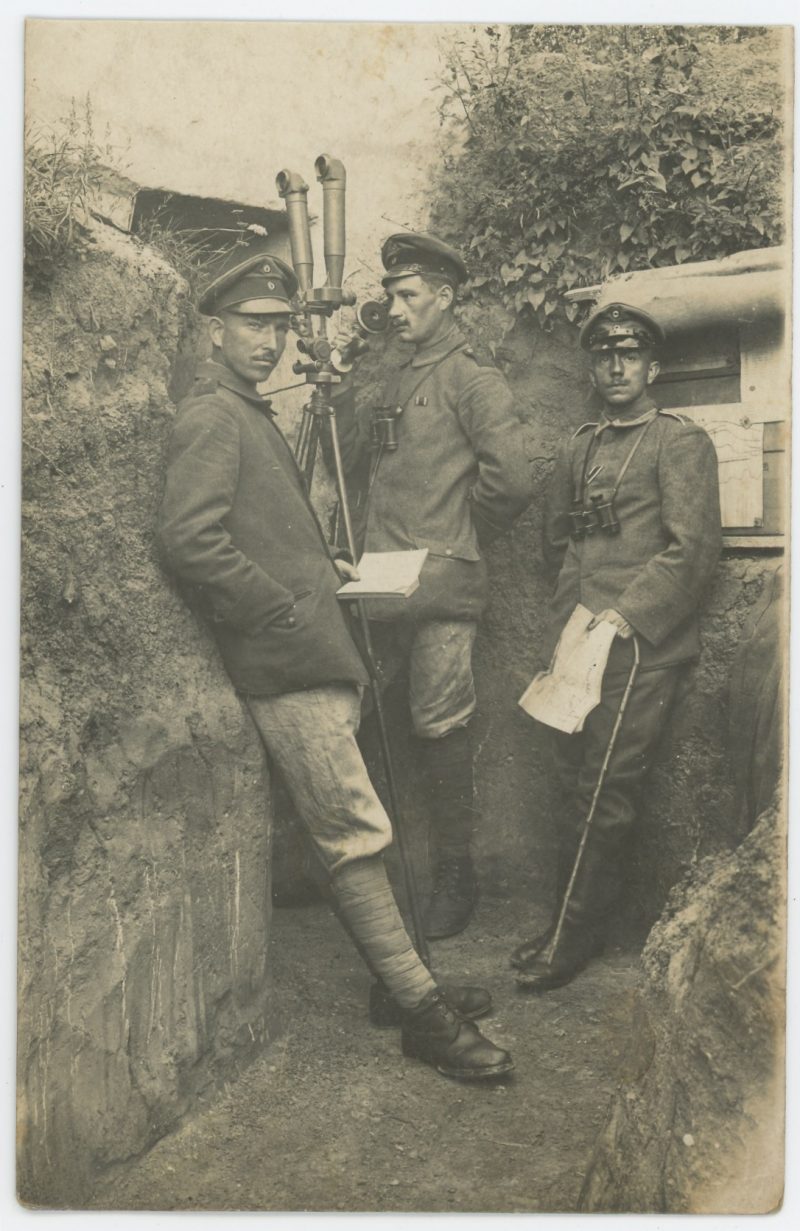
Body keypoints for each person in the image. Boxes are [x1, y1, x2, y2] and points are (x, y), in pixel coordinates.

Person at [156, 237, 513, 1081]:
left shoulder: (248, 409)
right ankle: (423, 1015)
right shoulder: (212, 414)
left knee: (367, 822)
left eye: (279, 324)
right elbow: (190, 540)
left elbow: (264, 530)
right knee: (355, 831)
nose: (270, 340)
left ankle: (404, 982)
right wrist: (279, 605)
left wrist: (326, 571)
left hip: (312, 645)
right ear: (211, 330)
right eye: (252, 324)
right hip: (283, 661)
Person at [512, 302, 722, 992]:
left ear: (653, 366)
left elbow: (692, 552)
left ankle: (572, 940)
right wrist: (567, 621)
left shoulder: (678, 443)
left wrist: (625, 617)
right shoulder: (581, 445)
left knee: (605, 788)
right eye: (603, 354)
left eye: (629, 354)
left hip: (639, 642)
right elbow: (563, 542)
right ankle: (569, 922)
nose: (616, 365)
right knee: (576, 781)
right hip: (582, 635)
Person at [329, 233, 532, 939]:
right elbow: (354, 454)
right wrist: (346, 379)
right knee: (367, 721)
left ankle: (455, 877)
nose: (396, 307)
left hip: (440, 584)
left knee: (439, 724)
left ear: (445, 298)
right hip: (380, 578)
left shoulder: (472, 380)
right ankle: (376, 875)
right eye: (390, 294)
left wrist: (457, 533)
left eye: (409, 295)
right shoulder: (394, 374)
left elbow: (514, 474)